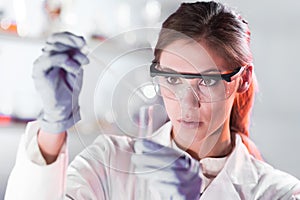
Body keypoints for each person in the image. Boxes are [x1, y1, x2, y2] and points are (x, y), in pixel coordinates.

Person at [5, 1, 300, 200]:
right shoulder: (109, 161)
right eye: (172, 79)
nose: (186, 102)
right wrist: (52, 128)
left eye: (207, 80)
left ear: (243, 79)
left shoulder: (279, 192)